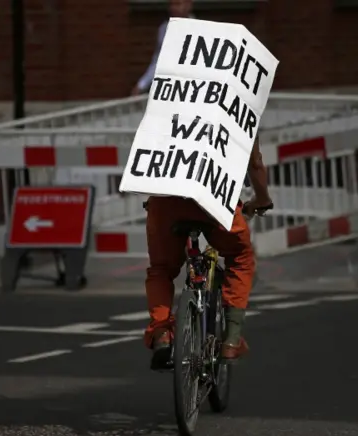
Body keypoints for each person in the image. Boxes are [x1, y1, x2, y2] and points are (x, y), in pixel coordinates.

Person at [144, 136, 273, 370]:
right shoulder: (236, 104)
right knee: (240, 257)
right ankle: (232, 339)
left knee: (162, 269)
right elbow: (254, 164)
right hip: (215, 198)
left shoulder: (168, 101)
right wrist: (262, 199)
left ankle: (162, 333)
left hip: (167, 200)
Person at [131, 0, 194, 96]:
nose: (173, 8)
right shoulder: (164, 30)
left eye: (178, 4)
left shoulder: (200, 29)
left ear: (188, 4)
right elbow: (158, 61)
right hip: (170, 89)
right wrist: (141, 85)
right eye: (171, 4)